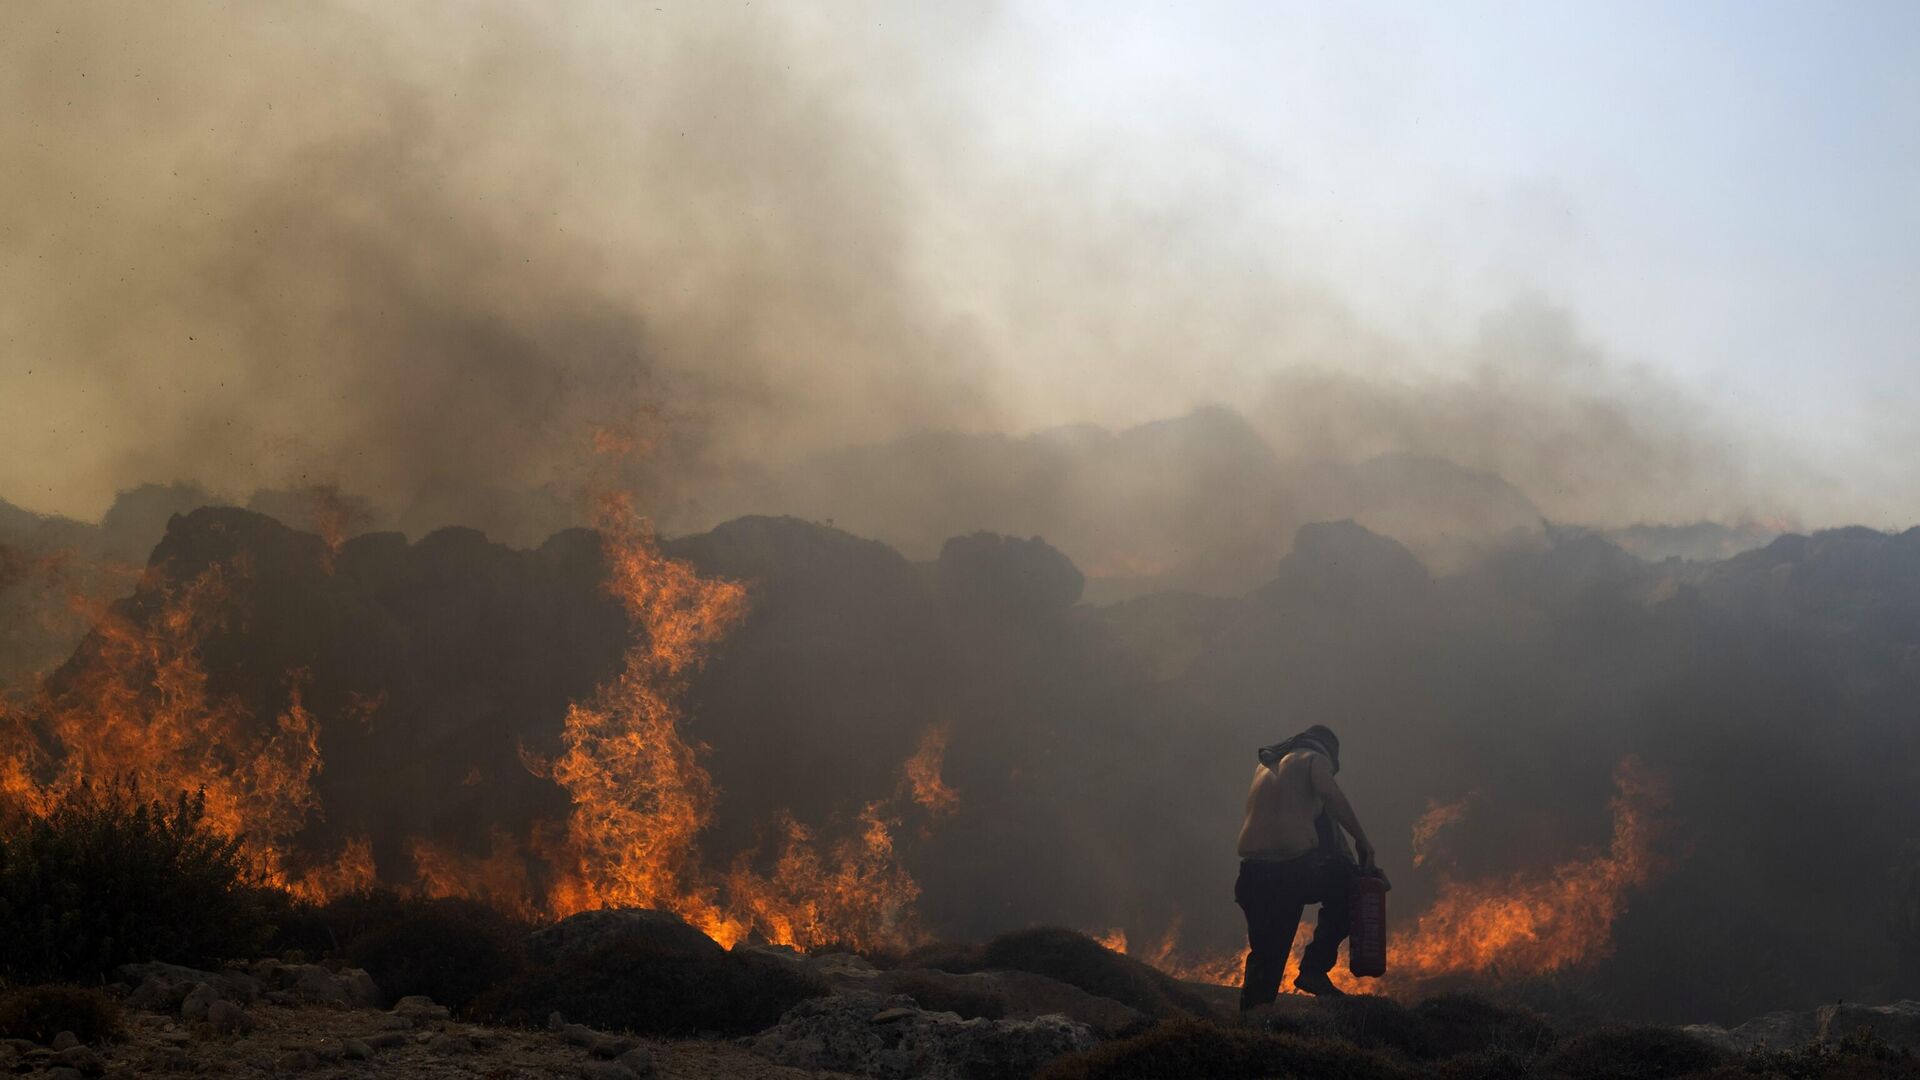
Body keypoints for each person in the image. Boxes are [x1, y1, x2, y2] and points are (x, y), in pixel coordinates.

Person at [1233, 724, 1375, 1007]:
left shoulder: (1265, 768)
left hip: (1251, 875)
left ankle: (1252, 1025)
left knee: (1266, 956)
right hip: (1292, 872)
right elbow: (1331, 796)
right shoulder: (1313, 758)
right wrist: (1362, 841)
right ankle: (1313, 968)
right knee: (1353, 888)